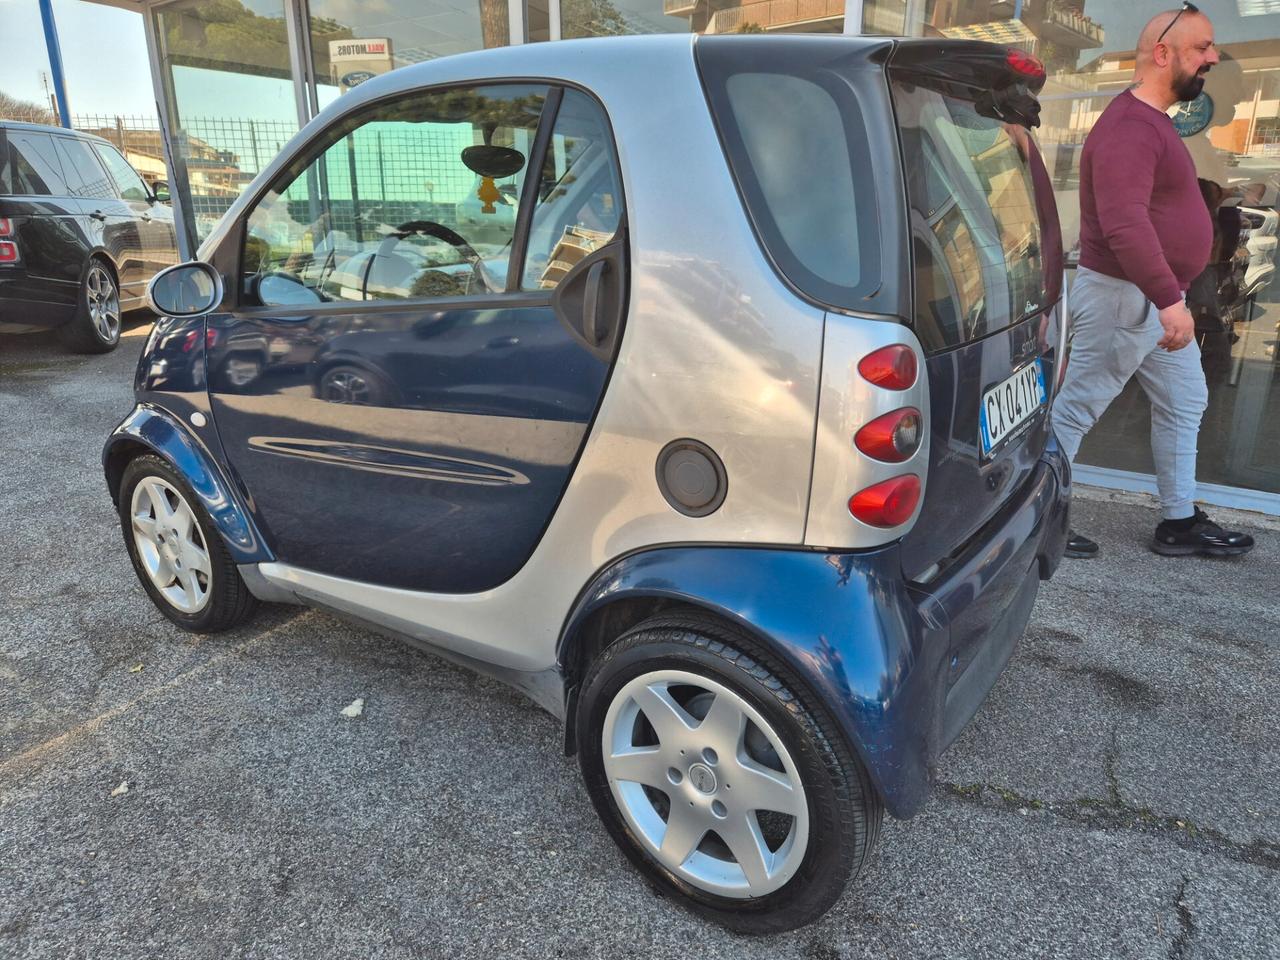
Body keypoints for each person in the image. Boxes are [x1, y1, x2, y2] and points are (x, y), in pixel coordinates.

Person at [1052, 3, 1255, 559]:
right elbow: (1124, 225)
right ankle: (1036, 516)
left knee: (1185, 401)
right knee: (1077, 408)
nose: (1213, 57)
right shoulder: (1129, 129)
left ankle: (1179, 519)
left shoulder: (1151, 121)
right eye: (1202, 48)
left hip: (1154, 299)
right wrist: (1169, 300)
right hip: (1131, 299)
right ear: (1162, 54)